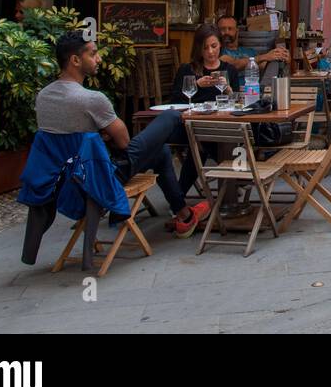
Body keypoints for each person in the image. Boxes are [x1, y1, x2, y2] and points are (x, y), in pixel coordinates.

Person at [35, 31, 210, 237]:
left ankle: (184, 215)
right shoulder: (91, 99)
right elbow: (124, 142)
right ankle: (184, 212)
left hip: (65, 180)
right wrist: (104, 135)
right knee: (170, 117)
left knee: (161, 151)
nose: (99, 59)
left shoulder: (43, 96)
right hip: (102, 175)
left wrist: (99, 135)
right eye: (93, 54)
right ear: (75, 60)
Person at [173, 24, 243, 104]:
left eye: (214, 46)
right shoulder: (186, 69)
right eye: (205, 47)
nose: (210, 51)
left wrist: (227, 89)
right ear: (198, 48)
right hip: (194, 115)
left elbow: (237, 104)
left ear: (220, 44)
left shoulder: (230, 69)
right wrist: (196, 85)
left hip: (221, 115)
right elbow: (175, 101)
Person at [216, 14, 290, 84]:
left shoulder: (249, 52)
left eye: (230, 28)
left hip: (253, 92)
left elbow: (264, 66)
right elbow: (235, 64)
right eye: (222, 29)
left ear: (237, 31)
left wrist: (282, 57)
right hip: (231, 93)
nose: (226, 32)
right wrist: (265, 56)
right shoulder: (217, 52)